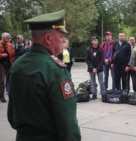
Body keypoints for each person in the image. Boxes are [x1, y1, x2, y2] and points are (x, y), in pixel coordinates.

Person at [7, 10, 81, 140]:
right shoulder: (55, 70)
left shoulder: (17, 65)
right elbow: (67, 122)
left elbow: (12, 115)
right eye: (61, 36)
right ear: (47, 38)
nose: (63, 41)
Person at [0, 32, 15, 102]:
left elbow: (12, 54)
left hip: (9, 64)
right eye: (7, 38)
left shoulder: (10, 45)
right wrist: (2, 55)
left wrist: (14, 53)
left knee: (11, 79)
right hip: (1, 64)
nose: (9, 39)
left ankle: (12, 95)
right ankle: (2, 96)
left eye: (9, 38)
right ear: (3, 38)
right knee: (2, 80)